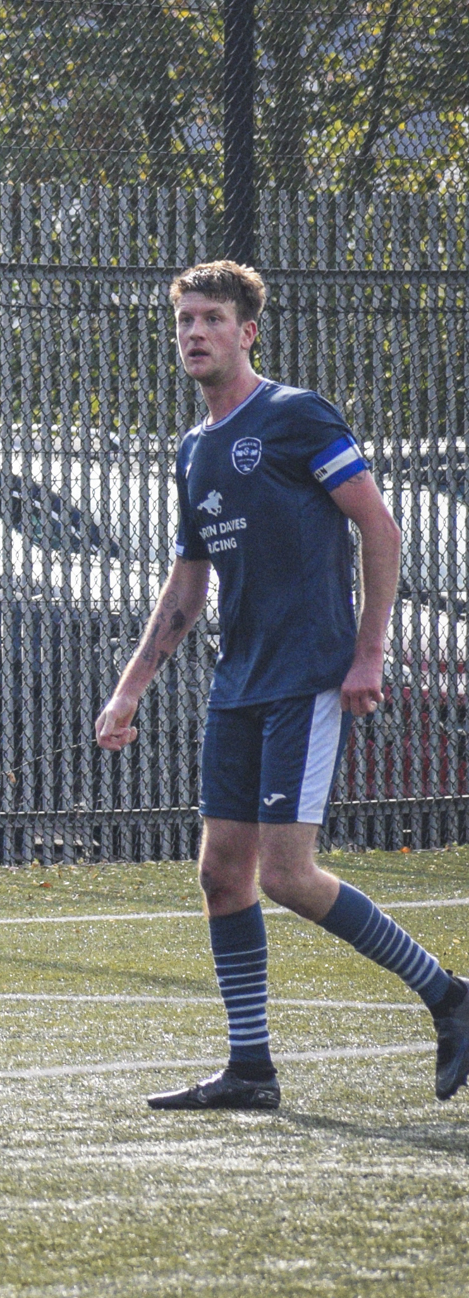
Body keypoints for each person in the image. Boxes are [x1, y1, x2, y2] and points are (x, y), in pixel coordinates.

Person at [96, 259, 467, 1111]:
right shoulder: (193, 450)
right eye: (185, 320)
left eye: (212, 320)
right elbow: (189, 583)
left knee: (288, 875)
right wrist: (130, 689)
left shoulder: (297, 416)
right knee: (222, 875)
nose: (195, 333)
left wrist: (368, 654)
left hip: (308, 676)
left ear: (247, 332)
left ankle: (448, 995)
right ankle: (251, 1069)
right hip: (238, 686)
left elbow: (380, 527)